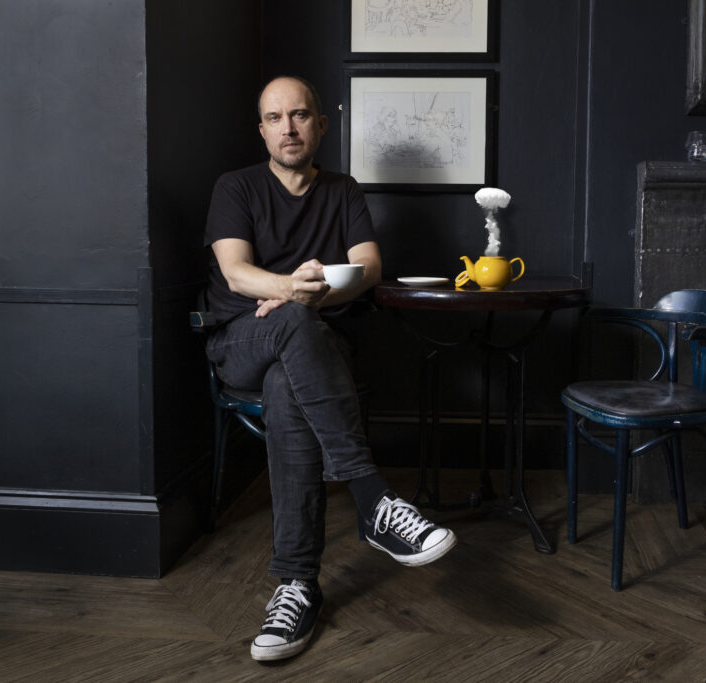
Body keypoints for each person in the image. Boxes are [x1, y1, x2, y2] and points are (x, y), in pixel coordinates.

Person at [203, 75, 457, 662]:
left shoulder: (342, 190)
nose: (288, 128)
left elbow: (367, 268)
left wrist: (313, 298)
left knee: (288, 381)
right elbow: (238, 273)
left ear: (321, 123)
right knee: (292, 324)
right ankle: (373, 500)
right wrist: (296, 290)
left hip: (313, 350)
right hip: (241, 340)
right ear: (261, 129)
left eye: (299, 115)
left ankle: (296, 585)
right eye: (274, 118)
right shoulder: (235, 186)